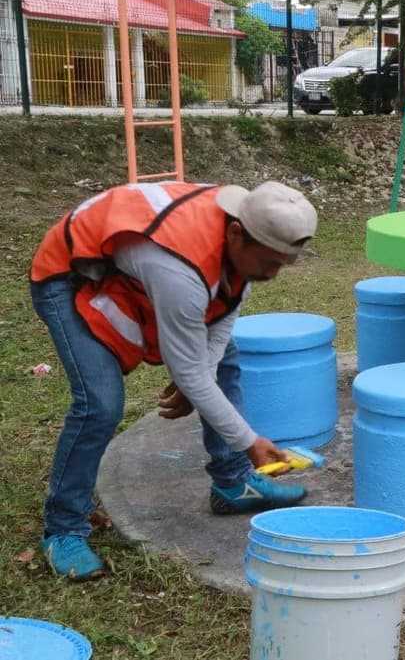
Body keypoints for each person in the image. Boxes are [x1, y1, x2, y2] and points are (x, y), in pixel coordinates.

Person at [29, 180, 318, 580]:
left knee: (224, 360)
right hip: (70, 271)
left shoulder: (248, 231)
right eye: (268, 262)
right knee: (100, 404)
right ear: (235, 232)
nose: (272, 273)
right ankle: (63, 528)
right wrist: (248, 441)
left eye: (282, 263)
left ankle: (232, 483)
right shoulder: (180, 268)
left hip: (127, 269)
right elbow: (189, 368)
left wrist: (196, 380)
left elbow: (218, 329)